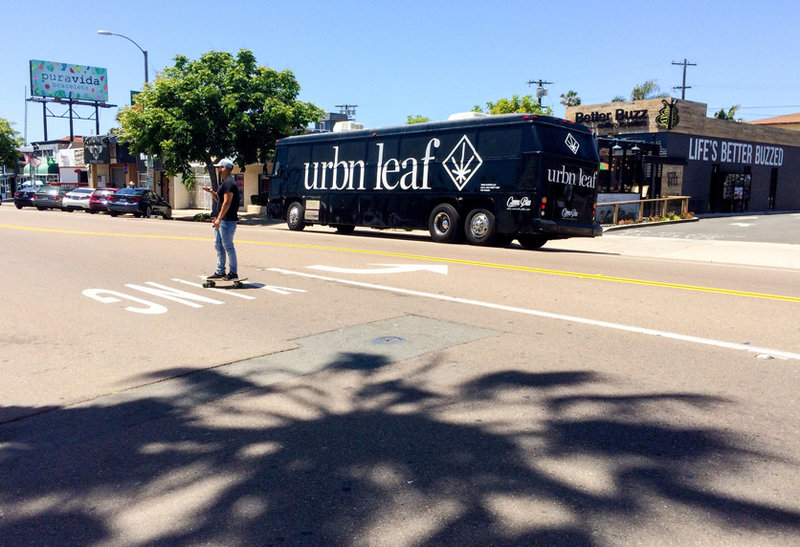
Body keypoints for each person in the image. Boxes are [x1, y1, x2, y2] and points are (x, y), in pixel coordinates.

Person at [202, 159, 240, 280]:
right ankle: (220, 271)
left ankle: (233, 273)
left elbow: (227, 202)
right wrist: (212, 192)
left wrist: (219, 218)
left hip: (227, 221)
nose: (218, 169)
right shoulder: (225, 183)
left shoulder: (229, 183)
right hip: (222, 220)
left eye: (219, 167)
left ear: (225, 168)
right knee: (218, 245)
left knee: (228, 246)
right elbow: (220, 201)